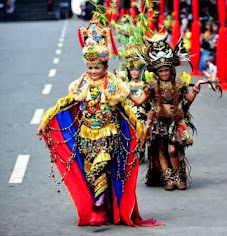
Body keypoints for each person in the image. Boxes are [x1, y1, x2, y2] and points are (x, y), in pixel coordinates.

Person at [37, 16, 161, 227]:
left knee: (101, 167)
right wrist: (46, 119)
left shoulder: (114, 83)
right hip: (86, 135)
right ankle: (101, 205)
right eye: (90, 67)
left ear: (105, 65)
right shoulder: (83, 82)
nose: (93, 72)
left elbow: (128, 105)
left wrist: (142, 119)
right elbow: (66, 103)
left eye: (97, 67)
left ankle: (98, 207)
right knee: (90, 171)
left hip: (108, 135)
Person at [128, 33, 213, 191]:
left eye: (166, 70)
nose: (164, 73)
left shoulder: (179, 83)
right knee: (161, 149)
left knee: (173, 150)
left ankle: (178, 175)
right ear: (156, 72)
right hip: (158, 122)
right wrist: (124, 93)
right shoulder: (151, 86)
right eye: (160, 71)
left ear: (171, 70)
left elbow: (187, 99)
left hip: (174, 121)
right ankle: (168, 179)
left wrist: (196, 88)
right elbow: (139, 101)